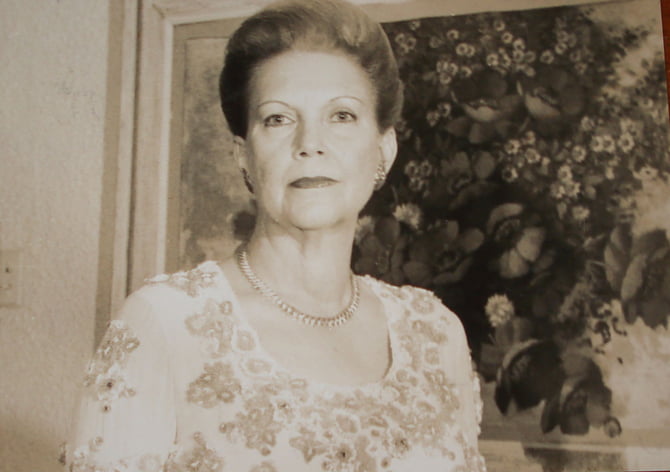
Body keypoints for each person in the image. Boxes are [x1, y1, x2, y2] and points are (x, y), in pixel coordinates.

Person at [64, 0, 486, 470]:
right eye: (278, 119)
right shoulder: (167, 322)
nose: (310, 144)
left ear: (383, 149)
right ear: (243, 155)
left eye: (342, 116)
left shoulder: (435, 333)